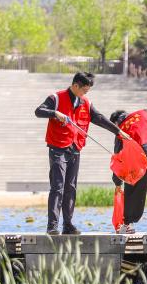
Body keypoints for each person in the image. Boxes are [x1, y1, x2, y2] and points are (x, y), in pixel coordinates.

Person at [35, 71, 131, 235]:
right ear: (75, 85)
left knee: (71, 187)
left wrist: (118, 131)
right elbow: (38, 111)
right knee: (57, 186)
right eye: (84, 90)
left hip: (75, 148)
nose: (85, 94)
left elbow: (99, 118)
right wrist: (54, 113)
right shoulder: (56, 98)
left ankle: (68, 225)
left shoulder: (86, 103)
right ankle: (52, 226)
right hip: (58, 148)